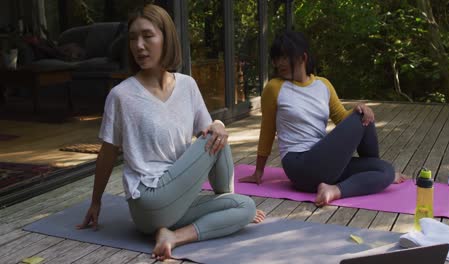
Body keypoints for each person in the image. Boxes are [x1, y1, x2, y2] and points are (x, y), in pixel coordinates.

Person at [77, 4, 264, 261]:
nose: (139, 45)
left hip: (176, 202)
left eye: (147, 36)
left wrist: (219, 127)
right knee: (215, 134)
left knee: (245, 205)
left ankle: (173, 236)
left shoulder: (187, 85)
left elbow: (214, 136)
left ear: (166, 37)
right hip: (148, 199)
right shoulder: (122, 95)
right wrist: (96, 202)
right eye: (133, 38)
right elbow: (108, 153)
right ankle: (222, 203)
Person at [239, 31, 405, 206]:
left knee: (385, 170)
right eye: (276, 58)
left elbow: (342, 118)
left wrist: (362, 108)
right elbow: (267, 129)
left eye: (285, 57)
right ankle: (367, 172)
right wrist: (259, 171)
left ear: (303, 57)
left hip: (324, 162)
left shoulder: (323, 85)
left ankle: (334, 190)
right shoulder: (275, 88)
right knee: (360, 117)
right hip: (300, 165)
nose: (279, 63)